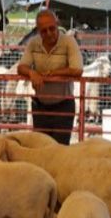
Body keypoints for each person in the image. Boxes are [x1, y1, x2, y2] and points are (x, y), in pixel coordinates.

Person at [17, 9, 82, 145]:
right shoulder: (33, 43)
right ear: (38, 30)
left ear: (57, 24)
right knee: (41, 149)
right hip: (40, 106)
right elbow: (21, 66)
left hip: (63, 105)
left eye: (52, 28)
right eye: (44, 31)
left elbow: (77, 70)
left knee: (60, 150)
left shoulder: (69, 42)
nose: (49, 33)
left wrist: (53, 73)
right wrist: (32, 73)